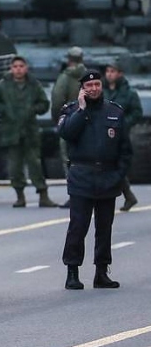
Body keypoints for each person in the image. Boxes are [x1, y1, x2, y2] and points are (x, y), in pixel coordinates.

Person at [59, 70, 132, 290]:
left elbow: (125, 149)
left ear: (102, 86)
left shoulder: (115, 112)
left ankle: (101, 272)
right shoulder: (71, 110)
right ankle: (72, 271)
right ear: (82, 89)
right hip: (82, 176)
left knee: (104, 228)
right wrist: (81, 110)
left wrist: (118, 175)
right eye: (89, 86)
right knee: (78, 227)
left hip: (107, 177)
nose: (93, 89)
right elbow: (66, 133)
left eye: (97, 85)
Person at [0, 56, 57, 207]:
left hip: (30, 130)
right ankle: (20, 195)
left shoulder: (33, 85)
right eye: (15, 66)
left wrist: (33, 109)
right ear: (11, 69)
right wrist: (5, 110)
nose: (18, 69)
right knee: (14, 167)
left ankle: (43, 194)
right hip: (11, 131)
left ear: (26, 68)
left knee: (35, 164)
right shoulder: (3, 85)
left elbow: (44, 103)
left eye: (21, 66)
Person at [103, 60, 143, 211]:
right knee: (109, 165)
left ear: (120, 74)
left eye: (112, 71)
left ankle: (127, 196)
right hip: (103, 133)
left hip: (120, 134)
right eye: (107, 71)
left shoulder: (129, 93)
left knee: (114, 165)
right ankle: (129, 196)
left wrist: (124, 123)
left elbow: (137, 113)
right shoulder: (102, 91)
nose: (109, 74)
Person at [51, 46, 87, 209]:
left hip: (70, 121)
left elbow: (57, 100)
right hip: (88, 122)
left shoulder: (65, 77)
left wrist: (58, 120)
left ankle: (75, 195)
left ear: (69, 60)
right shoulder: (89, 76)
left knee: (69, 159)